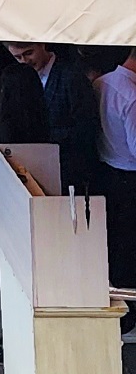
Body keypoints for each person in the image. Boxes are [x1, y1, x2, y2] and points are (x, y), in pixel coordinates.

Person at [0, 62, 51, 367]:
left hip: (9, 211)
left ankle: (13, 340)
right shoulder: (42, 124)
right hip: (38, 208)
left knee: (9, 277)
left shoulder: (8, 130)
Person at [6, 42, 99, 193]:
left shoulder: (71, 76)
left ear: (42, 45)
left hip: (69, 171)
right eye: (18, 57)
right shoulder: (21, 79)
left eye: (29, 53)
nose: (24, 61)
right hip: (38, 170)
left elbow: (87, 125)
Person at [93, 48, 136, 336]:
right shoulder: (132, 97)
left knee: (113, 247)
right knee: (127, 251)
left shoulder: (101, 83)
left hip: (103, 172)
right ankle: (127, 317)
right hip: (128, 179)